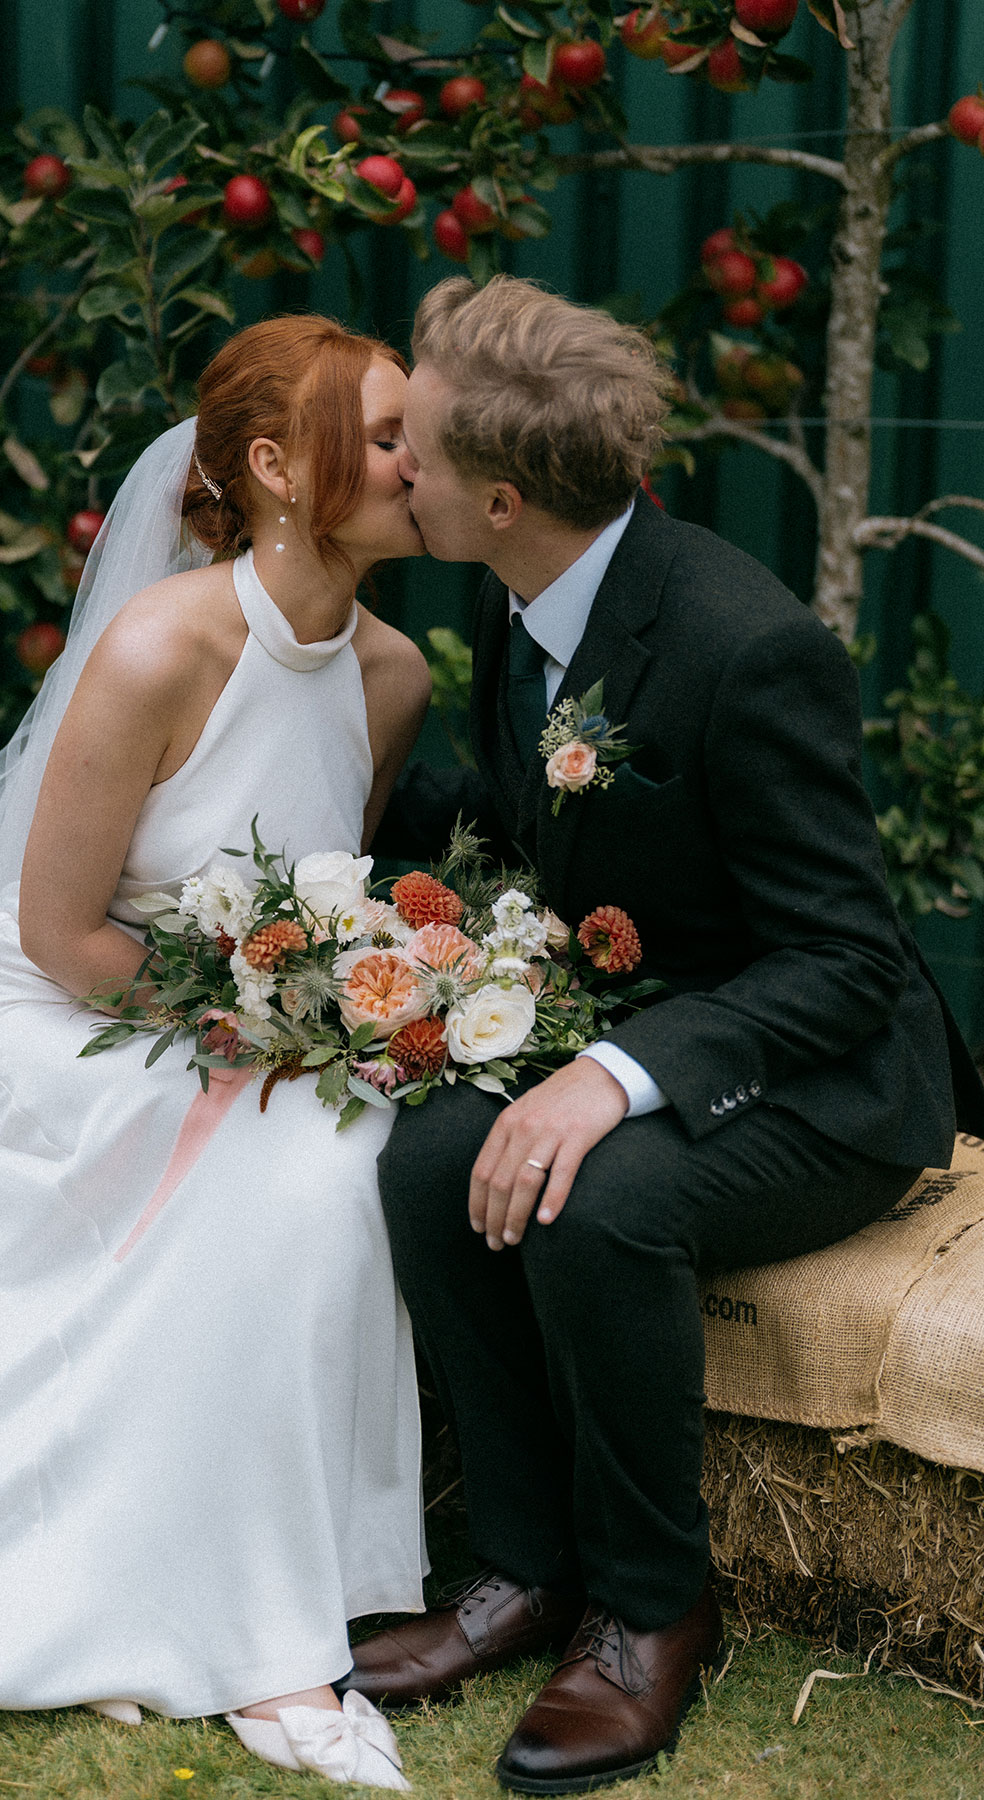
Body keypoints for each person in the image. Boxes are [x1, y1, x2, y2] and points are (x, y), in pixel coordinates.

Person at [343, 275, 984, 1794]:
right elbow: (528, 831)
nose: (398, 472)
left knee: (597, 1205)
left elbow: (842, 957)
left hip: (827, 1079)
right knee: (434, 1163)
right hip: (664, 1022)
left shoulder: (741, 648)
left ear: (500, 498)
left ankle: (650, 1607)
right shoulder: (521, 602)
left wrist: (612, 1078)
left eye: (416, 452)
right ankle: (523, 1566)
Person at [0, 314, 433, 1788]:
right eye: (384, 436)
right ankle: (273, 1645)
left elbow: (313, 904)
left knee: (335, 1152)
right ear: (276, 468)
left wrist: (327, 1015)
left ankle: (260, 1576)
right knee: (304, 1165)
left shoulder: (394, 674)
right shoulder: (158, 648)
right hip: (64, 1017)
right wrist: (257, 1032)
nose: (418, 462)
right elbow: (63, 932)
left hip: (236, 1023)